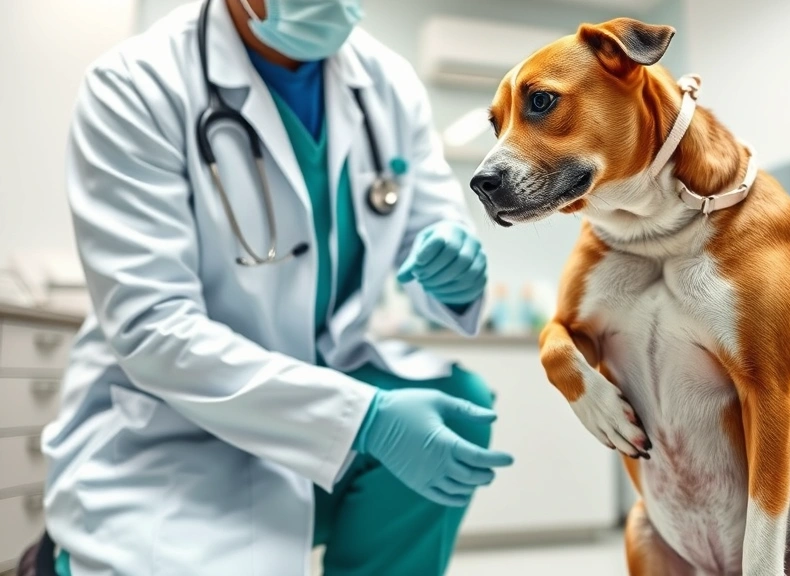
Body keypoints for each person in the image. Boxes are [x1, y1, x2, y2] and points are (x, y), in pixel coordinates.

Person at [33, 0, 514, 574]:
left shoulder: (388, 84)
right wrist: (363, 419)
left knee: (457, 409)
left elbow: (431, 231)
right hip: (175, 422)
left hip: (324, 378)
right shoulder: (136, 83)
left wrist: (453, 271)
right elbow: (153, 327)